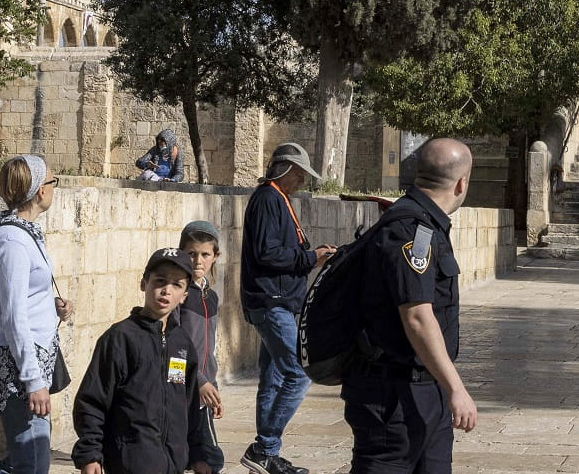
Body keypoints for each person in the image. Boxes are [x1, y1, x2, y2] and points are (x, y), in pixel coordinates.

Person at [343, 138, 478, 474]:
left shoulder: (426, 223)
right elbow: (417, 316)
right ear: (462, 183)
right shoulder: (412, 231)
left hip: (423, 390)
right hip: (393, 399)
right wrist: (456, 388)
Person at [240, 143, 337, 474]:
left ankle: (267, 454)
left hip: (276, 301)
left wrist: (314, 254)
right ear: (283, 170)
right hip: (271, 302)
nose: (301, 182)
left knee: (274, 375)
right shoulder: (268, 198)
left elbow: (280, 250)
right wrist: (311, 258)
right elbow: (267, 254)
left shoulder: (276, 200)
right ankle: (264, 447)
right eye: (298, 174)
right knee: (299, 371)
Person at [0, 154, 73, 474]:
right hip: (17, 367)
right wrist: (33, 380)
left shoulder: (25, 232)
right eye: (51, 181)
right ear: (39, 191)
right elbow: (13, 314)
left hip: (29, 359)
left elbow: (27, 298)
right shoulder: (12, 239)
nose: (52, 188)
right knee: (32, 462)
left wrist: (53, 306)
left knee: (27, 460)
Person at [71, 249, 201, 474]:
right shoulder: (120, 338)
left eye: (176, 285)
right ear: (144, 283)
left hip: (172, 463)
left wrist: (200, 453)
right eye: (159, 281)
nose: (166, 290)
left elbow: (190, 407)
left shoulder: (182, 344)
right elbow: (93, 400)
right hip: (130, 462)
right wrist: (90, 454)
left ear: (184, 296)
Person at [175, 222, 226, 474]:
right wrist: (197, 381)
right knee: (205, 457)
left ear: (215, 257)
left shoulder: (210, 297)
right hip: (181, 387)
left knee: (205, 457)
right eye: (191, 253)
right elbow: (174, 347)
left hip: (203, 388)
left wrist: (211, 386)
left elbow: (208, 349)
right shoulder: (177, 294)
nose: (197, 261)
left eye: (205, 254)